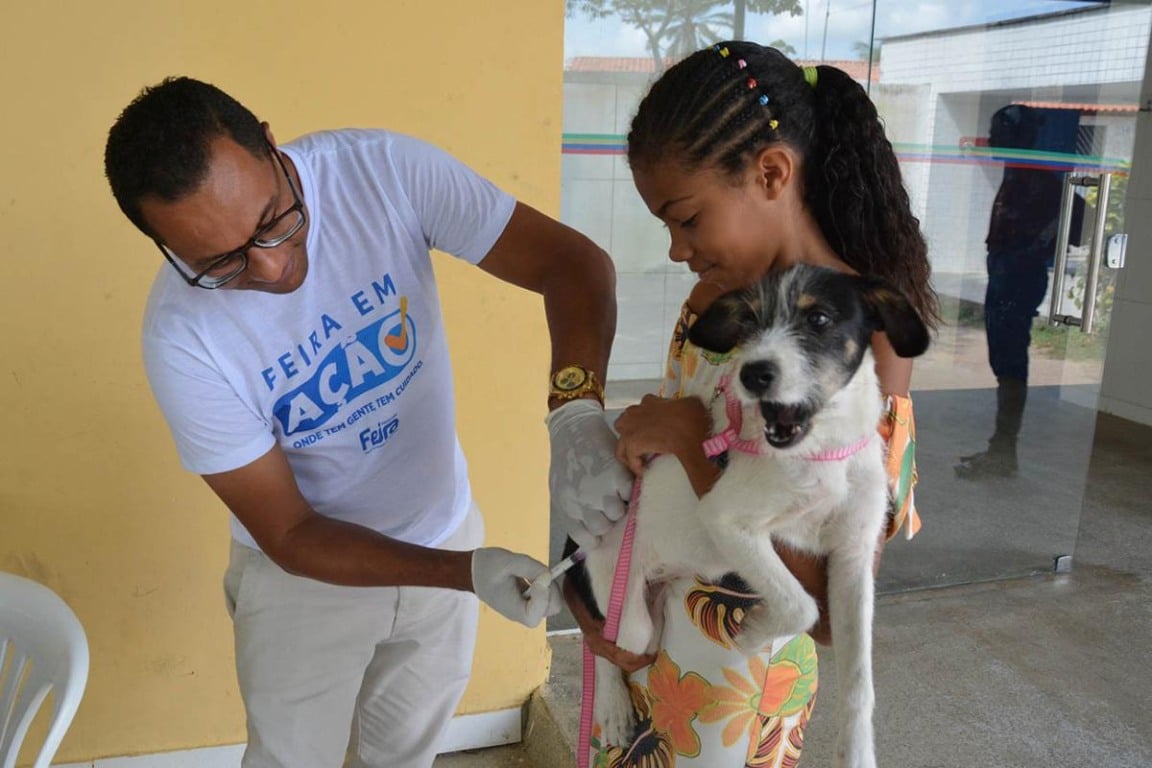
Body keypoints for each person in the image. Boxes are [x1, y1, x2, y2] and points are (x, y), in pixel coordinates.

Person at [103, 76, 629, 768]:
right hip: (303, 581)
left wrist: (576, 414)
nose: (268, 266)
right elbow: (290, 532)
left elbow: (573, 265)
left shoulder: (379, 173)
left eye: (271, 219)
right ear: (165, 249)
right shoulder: (182, 339)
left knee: (404, 755)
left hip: (443, 529)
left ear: (269, 141)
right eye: (220, 262)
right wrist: (463, 572)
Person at [562, 42, 939, 766]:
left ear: (770, 172)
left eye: (688, 218)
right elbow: (664, 479)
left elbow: (831, 610)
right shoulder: (715, 304)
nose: (678, 250)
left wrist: (686, 435)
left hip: (739, 699)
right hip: (652, 645)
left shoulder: (870, 341)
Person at [956, 104, 1083, 480]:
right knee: (1006, 366)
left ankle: (1004, 450)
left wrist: (1034, 249)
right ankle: (1002, 448)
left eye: (998, 132)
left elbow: (1077, 219)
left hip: (1017, 280)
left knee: (1011, 367)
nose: (992, 139)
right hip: (1008, 277)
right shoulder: (1019, 174)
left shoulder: (1035, 178)